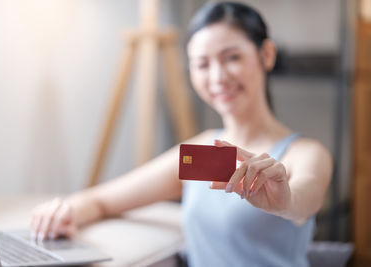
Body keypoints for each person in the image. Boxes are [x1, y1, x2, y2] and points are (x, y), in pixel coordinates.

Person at [30, 2, 332, 266]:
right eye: (202, 64)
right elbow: (103, 201)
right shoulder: (199, 151)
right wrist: (64, 211)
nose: (217, 77)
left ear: (266, 55)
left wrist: (284, 202)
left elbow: (305, 199)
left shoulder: (304, 152)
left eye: (232, 58)